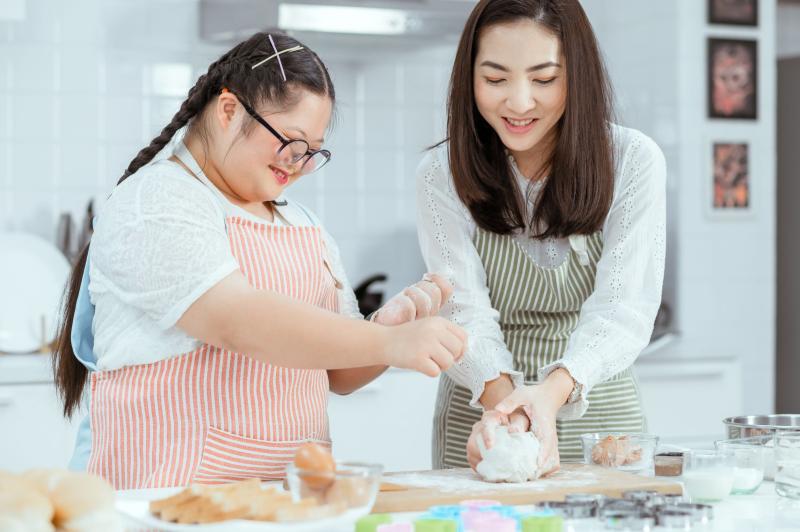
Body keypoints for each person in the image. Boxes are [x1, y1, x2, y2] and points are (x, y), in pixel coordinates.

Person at [52, 31, 466, 489]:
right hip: (163, 502)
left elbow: (340, 374)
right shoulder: (157, 200)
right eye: (291, 141)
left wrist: (389, 327)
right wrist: (391, 344)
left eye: (312, 151)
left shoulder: (303, 225)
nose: (298, 163)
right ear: (229, 110)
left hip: (283, 504)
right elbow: (235, 318)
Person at [416, 0, 666, 474]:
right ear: (468, 79)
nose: (520, 102)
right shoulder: (440, 174)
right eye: (494, 79)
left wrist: (549, 397)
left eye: (544, 79)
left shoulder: (632, 160)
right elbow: (462, 309)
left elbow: (624, 308)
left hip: (598, 411)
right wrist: (507, 412)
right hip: (485, 410)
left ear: (579, 75)